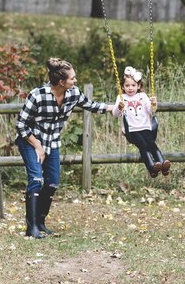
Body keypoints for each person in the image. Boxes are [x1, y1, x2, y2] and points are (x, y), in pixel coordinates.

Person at [15, 58, 116, 239]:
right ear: (61, 82)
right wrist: (37, 146)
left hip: (52, 142)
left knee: (52, 182)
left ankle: (40, 222)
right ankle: (31, 228)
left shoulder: (73, 94)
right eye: (72, 79)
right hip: (30, 140)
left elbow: (91, 105)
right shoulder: (37, 95)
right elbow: (21, 125)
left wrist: (113, 107)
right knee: (37, 179)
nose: (75, 81)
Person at [111, 66, 170, 177]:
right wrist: (119, 106)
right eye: (127, 85)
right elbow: (115, 114)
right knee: (143, 146)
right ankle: (152, 168)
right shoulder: (121, 97)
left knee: (152, 144)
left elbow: (151, 111)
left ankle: (163, 165)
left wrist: (153, 104)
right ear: (123, 87)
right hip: (132, 130)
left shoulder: (142, 96)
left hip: (145, 127)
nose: (130, 88)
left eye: (133, 85)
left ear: (138, 86)